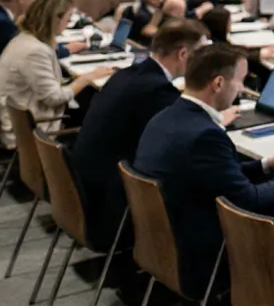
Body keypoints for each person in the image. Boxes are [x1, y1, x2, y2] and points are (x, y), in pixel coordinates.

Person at [134, 44, 274, 299]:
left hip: (160, 243)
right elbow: (250, 200)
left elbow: (215, 174)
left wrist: (268, 163)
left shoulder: (164, 117)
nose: (242, 88)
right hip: (203, 256)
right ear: (218, 84)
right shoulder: (206, 134)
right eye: (240, 81)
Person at [72, 20, 208, 250]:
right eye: (202, 53)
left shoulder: (128, 74)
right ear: (183, 54)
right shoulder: (157, 90)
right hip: (113, 194)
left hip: (87, 182)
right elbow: (178, 136)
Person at [0, 0, 118, 147]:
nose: (68, 22)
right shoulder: (34, 51)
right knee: (102, 108)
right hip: (31, 130)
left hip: (22, 117)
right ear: (55, 19)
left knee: (91, 100)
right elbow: (54, 98)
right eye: (67, 18)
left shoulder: (24, 39)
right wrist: (86, 78)